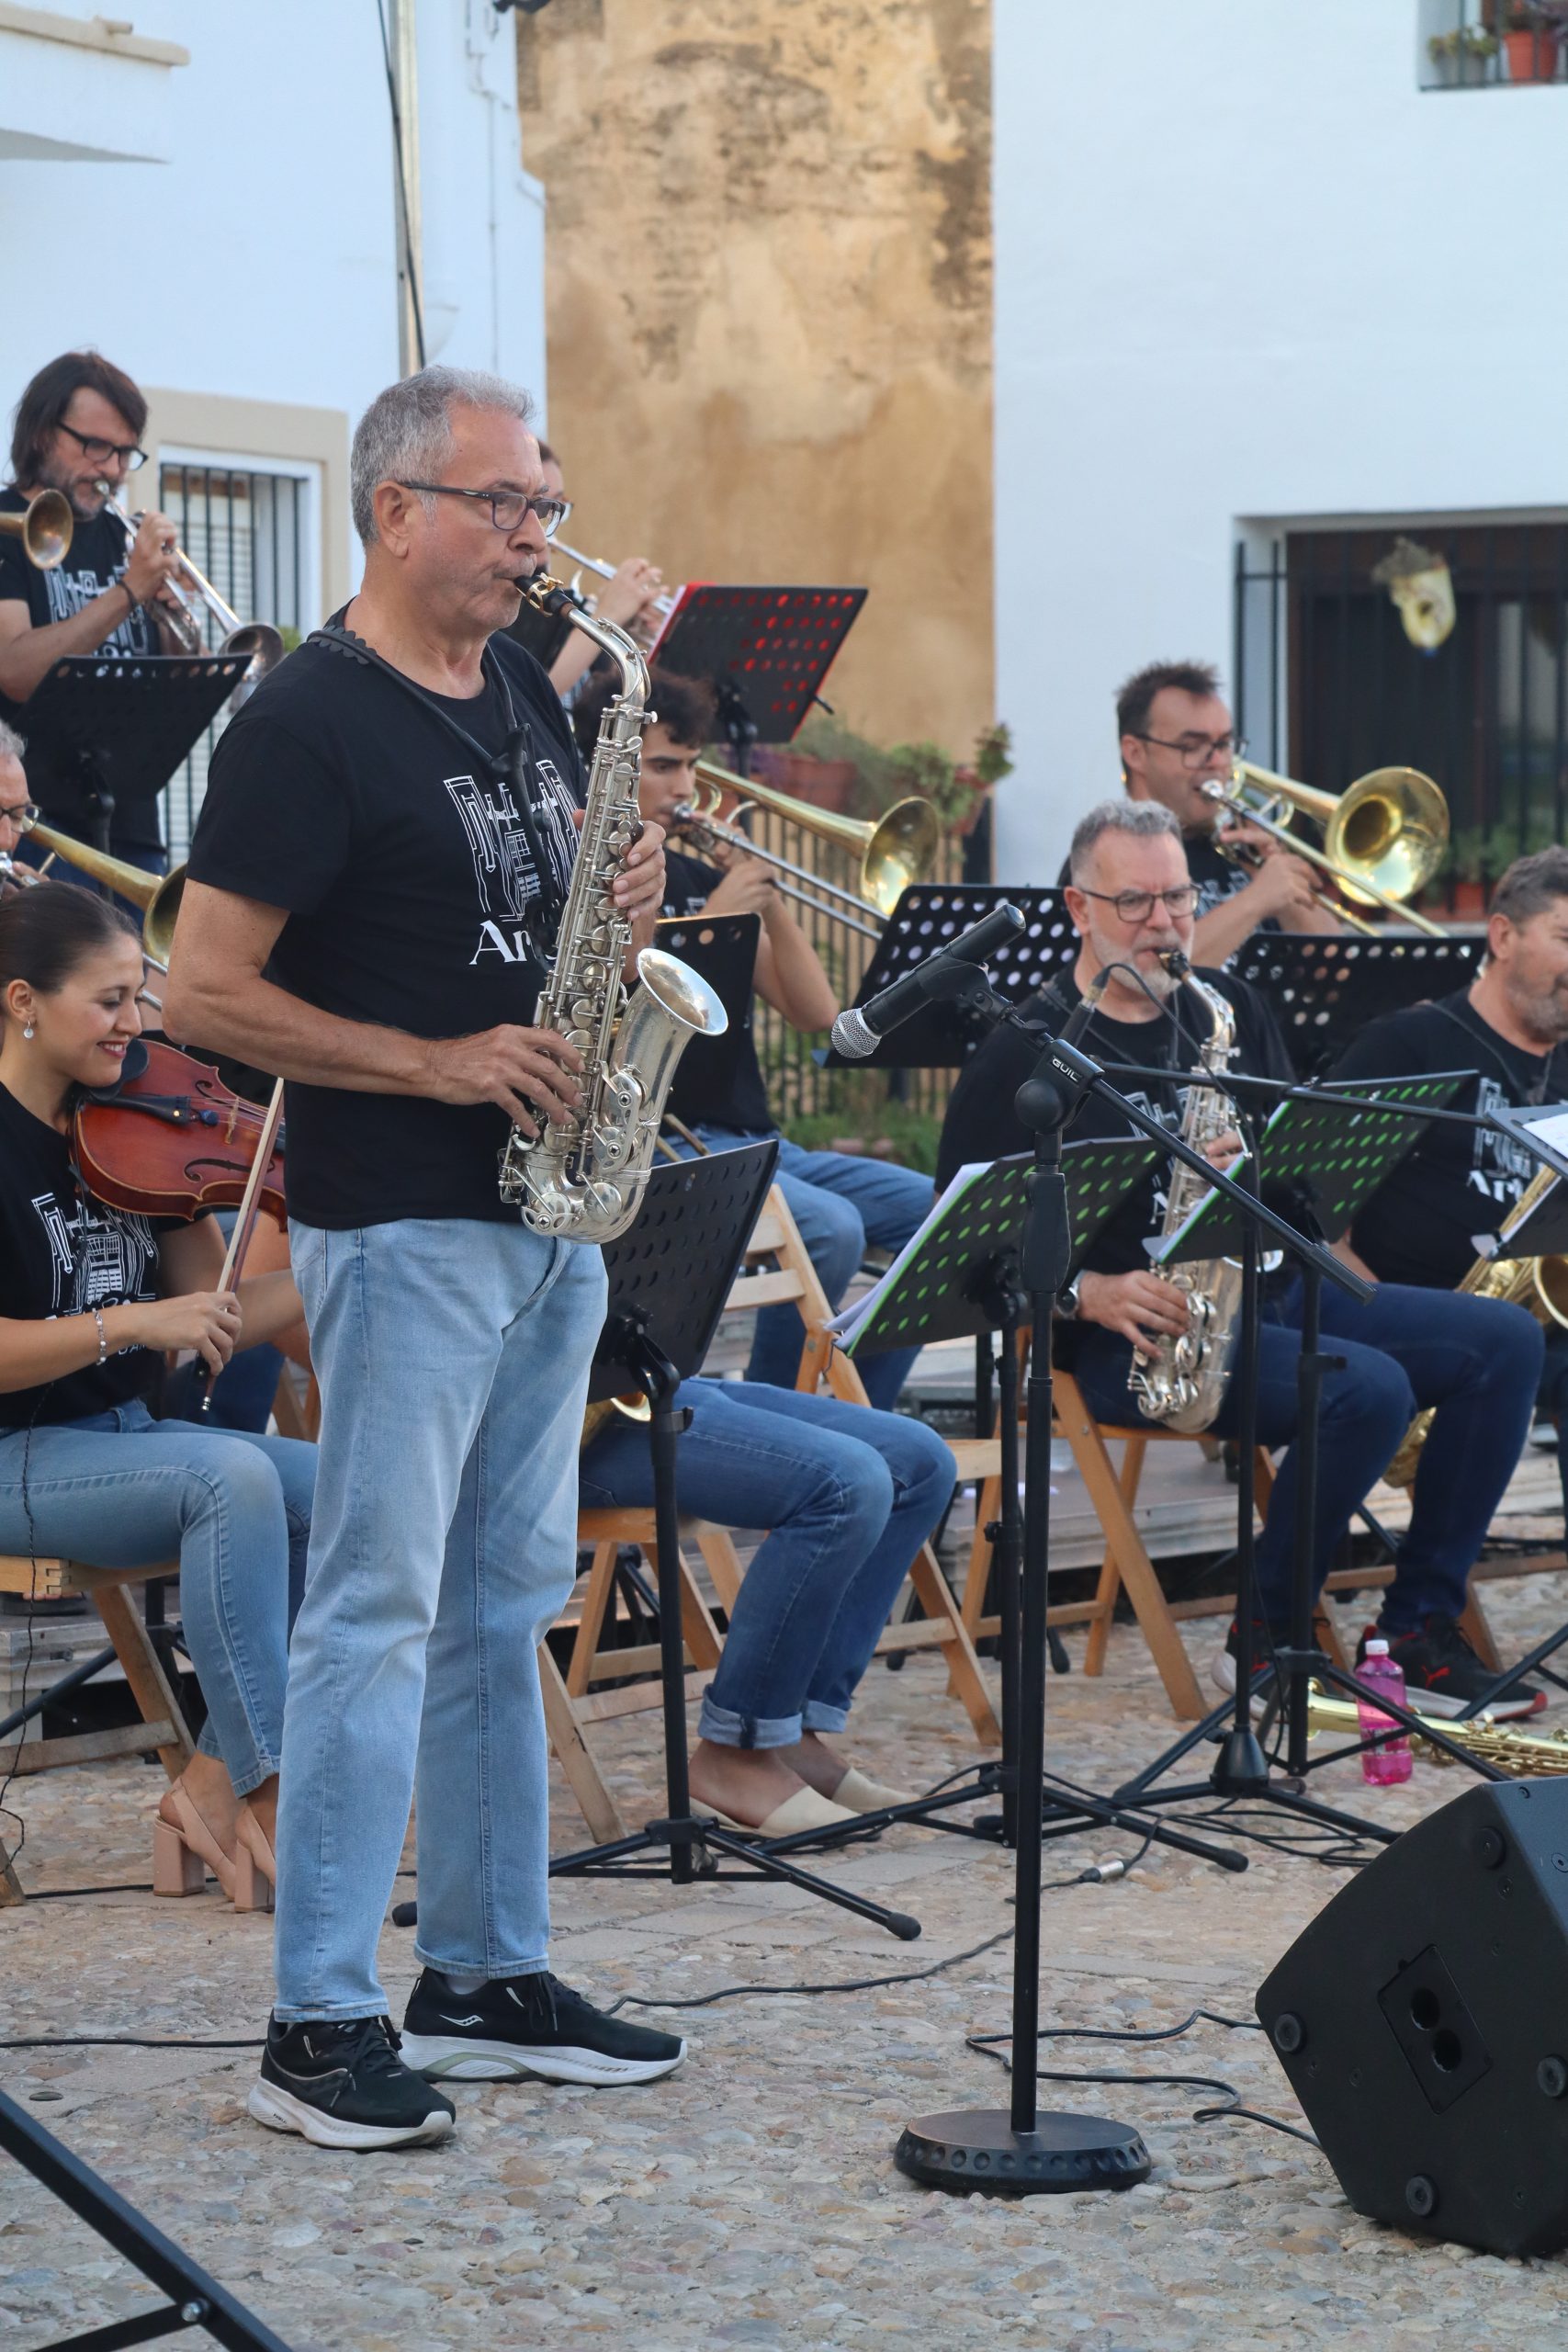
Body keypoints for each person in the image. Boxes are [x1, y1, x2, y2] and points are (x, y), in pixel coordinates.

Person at [164, 364, 684, 2152]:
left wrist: (622, 891)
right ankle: (317, 2015)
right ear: (395, 509)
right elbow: (203, 988)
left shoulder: (520, 685)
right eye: (504, 505)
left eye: (544, 504)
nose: (537, 539)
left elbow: (533, 897)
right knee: (376, 1609)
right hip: (399, 1220)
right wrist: (435, 1063)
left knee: (499, 1603)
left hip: (546, 1211)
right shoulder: (306, 721)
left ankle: (483, 1970)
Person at [940, 797, 1546, 1717]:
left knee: (1505, 1340)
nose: (1164, 923)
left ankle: (1417, 1634)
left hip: (1261, 1293)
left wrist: (1264, 1172)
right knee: (1365, 1390)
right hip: (1132, 1339)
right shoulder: (1027, 1051)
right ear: (1079, 908)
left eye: (1179, 899)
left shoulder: (1226, 1010)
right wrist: (1088, 1290)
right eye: (1135, 902)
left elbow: (1298, 1172)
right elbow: (962, 1241)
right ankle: (1265, 1637)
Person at [0, 880, 313, 1905]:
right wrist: (132, 1323)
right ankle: (272, 1793)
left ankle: (213, 1781)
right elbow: (151, 1323)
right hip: (15, 1454)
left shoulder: (138, 1124)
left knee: (349, 1491)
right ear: (22, 1001)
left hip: (126, 1436)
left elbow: (213, 1312)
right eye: (110, 1000)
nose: (136, 1023)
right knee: (230, 1477)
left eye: (140, 995)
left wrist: (346, 1258)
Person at [581, 664, 936, 1412]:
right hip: (664, 1141)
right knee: (831, 1230)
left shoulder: (692, 874)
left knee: (931, 1212)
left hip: (749, 1137)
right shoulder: (603, 886)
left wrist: (764, 900)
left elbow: (817, 1011)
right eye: (664, 767)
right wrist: (719, 907)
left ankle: (858, 1412)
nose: (684, 787)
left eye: (691, 766)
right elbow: (631, 1001)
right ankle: (785, 1411)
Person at [581, 1381, 956, 1834]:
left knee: (920, 1462)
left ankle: (788, 1736)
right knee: (845, 1484)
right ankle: (739, 1751)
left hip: (637, 1378)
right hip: (560, 1424)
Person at [1331, 847, 1568, 1523]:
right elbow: (1310, 1215)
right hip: (1415, 1320)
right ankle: (1430, 1589)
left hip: (1538, 1323)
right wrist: (1372, 1308)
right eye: (1565, 938)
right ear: (1502, 936)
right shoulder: (1408, 1045)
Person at [0, 351, 187, 870]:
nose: (113, 469)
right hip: (34, 823)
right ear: (43, 434)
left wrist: (172, 615)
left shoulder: (126, 537)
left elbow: (172, 686)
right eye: (97, 446)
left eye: (126, 453)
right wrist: (128, 591)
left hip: (131, 821)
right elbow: (14, 670)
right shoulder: (7, 526)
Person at [1068, 659, 1340, 964]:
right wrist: (1257, 899)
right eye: (1192, 746)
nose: (1217, 762)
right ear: (1135, 753)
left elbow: (1337, 968)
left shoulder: (1242, 851)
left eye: (1223, 744)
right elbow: (1144, 976)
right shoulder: (1105, 858)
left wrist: (1278, 878)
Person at [535, 441, 665, 703]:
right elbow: (535, 699)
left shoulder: (555, 598)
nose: (545, 525)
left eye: (557, 507)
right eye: (541, 507)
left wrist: (623, 635)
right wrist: (608, 616)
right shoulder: (505, 600)